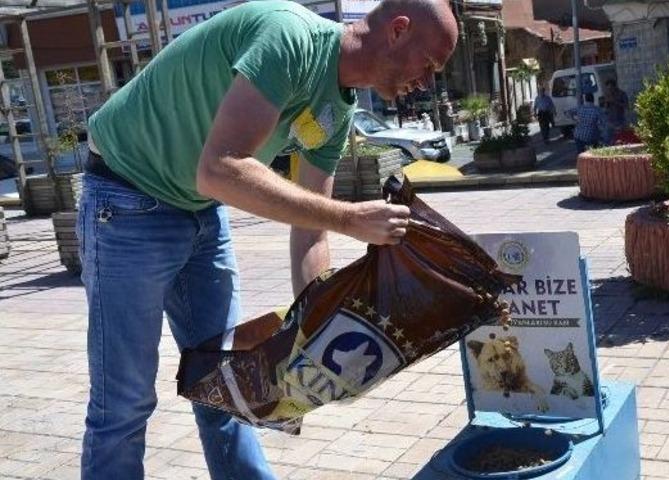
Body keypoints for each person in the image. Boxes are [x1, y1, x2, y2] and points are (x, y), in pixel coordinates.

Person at [77, 1, 458, 479]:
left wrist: (320, 332)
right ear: (398, 31)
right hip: (127, 197)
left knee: (227, 382)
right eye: (430, 63)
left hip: (199, 208)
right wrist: (350, 217)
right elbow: (221, 168)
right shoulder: (289, 39)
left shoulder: (337, 111)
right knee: (125, 402)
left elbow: (311, 232)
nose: (427, 82)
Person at [603, 79, 628, 144]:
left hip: (619, 120)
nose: (610, 90)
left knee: (620, 139)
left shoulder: (622, 94)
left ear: (614, 87)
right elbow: (606, 108)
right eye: (608, 89)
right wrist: (606, 103)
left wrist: (615, 102)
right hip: (610, 120)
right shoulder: (608, 94)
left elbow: (626, 106)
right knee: (608, 139)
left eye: (611, 88)